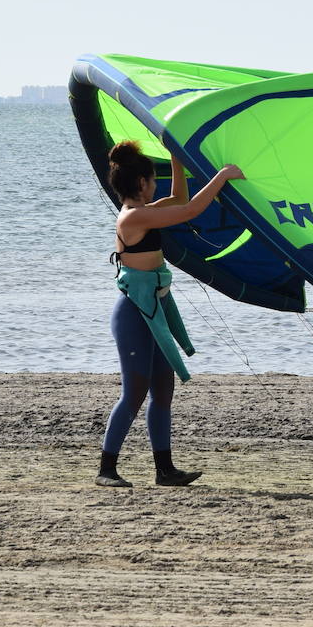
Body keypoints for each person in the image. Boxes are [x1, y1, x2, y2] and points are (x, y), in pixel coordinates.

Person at [97, 141, 244, 488]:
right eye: (153, 179)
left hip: (156, 309)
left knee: (162, 391)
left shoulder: (146, 210)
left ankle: (165, 470)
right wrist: (222, 176)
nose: (156, 185)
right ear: (141, 183)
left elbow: (179, 200)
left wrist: (177, 157)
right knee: (134, 392)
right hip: (135, 313)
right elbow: (192, 210)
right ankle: (106, 469)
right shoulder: (134, 216)